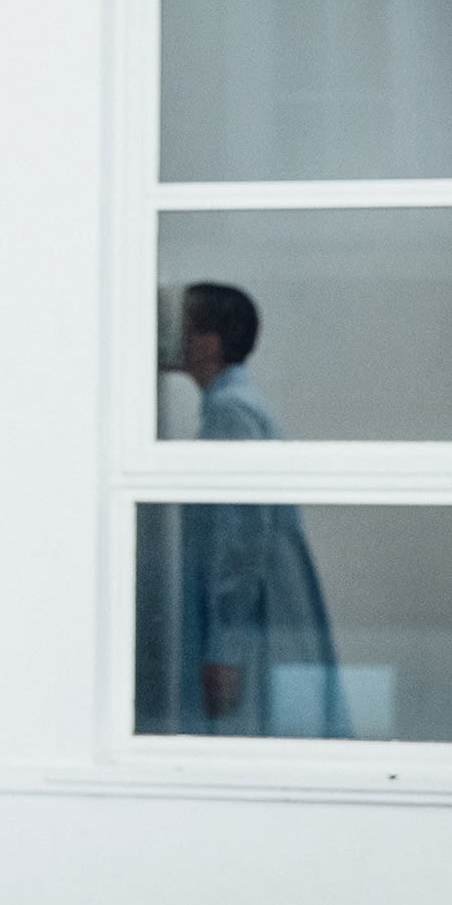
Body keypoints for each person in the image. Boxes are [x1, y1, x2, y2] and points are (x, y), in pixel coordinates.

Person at [176, 282, 349, 739]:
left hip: (255, 622)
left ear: (209, 343)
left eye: (182, 326)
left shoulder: (230, 413)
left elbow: (241, 538)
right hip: (260, 614)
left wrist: (224, 648)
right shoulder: (242, 406)